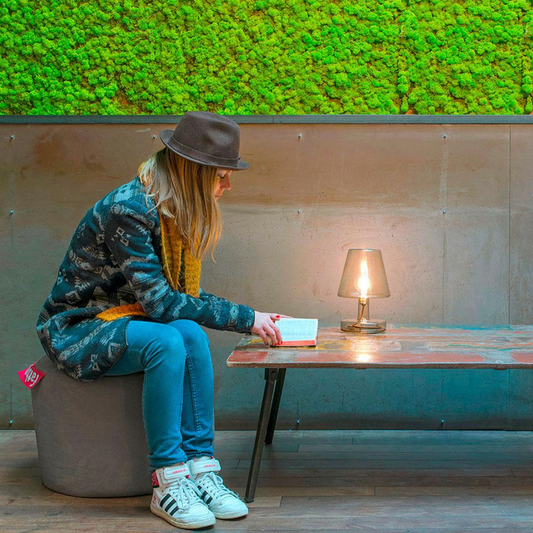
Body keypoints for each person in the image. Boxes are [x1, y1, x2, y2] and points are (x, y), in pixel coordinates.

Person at [36, 111, 290, 530]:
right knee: (167, 340)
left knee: (189, 333)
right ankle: (168, 479)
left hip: (128, 318)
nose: (227, 186)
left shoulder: (171, 210)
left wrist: (253, 318)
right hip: (80, 326)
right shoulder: (129, 208)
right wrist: (246, 318)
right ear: (194, 172)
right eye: (222, 176)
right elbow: (160, 303)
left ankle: (201, 468)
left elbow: (180, 302)